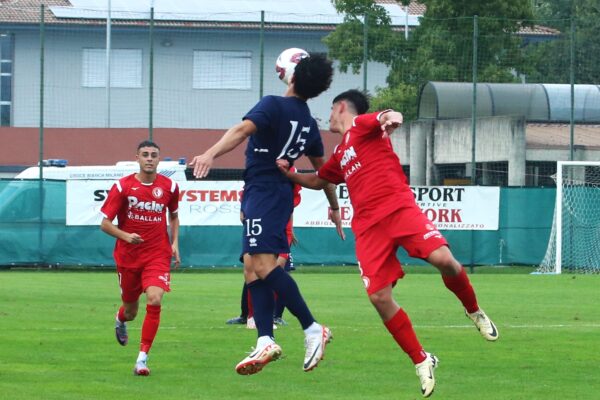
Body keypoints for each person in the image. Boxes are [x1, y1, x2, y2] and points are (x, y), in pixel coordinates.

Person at [277, 90, 498, 398]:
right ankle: (421, 359)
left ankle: (473, 311)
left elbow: (385, 117)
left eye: (330, 109)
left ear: (341, 107)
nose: (328, 116)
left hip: (398, 209)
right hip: (368, 227)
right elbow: (319, 180)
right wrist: (289, 174)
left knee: (445, 260)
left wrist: (390, 118)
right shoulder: (341, 153)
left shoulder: (363, 126)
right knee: (379, 298)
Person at [190, 52, 345, 375]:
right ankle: (264, 339)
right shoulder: (308, 123)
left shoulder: (273, 104)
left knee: (262, 264)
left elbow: (241, 130)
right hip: (272, 194)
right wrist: (334, 206)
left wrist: (209, 153)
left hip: (265, 191)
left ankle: (312, 327)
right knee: (251, 265)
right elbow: (325, 173)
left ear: (292, 76)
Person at [100, 140, 180, 376]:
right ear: (137, 158)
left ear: (158, 159)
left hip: (157, 253)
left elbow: (173, 216)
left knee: (155, 299)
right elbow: (104, 224)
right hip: (128, 256)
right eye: (145, 154)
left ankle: (142, 360)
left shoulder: (170, 187)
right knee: (131, 310)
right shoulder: (123, 187)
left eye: (154, 155)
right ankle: (120, 318)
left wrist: (175, 242)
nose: (149, 158)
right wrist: (125, 236)